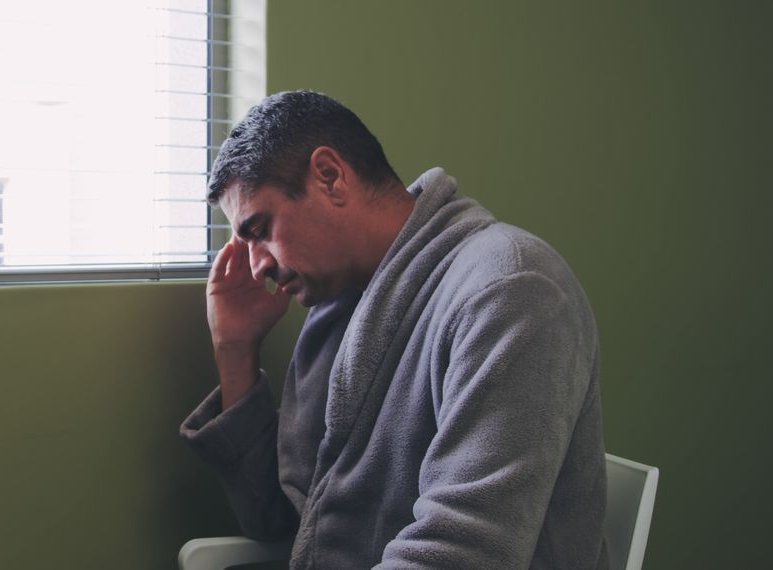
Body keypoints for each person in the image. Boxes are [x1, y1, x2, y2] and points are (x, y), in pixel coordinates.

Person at [180, 91, 608, 569]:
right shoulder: (346, 309)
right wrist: (235, 347)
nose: (258, 267)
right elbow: (282, 520)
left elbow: (465, 552)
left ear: (330, 176)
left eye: (259, 230)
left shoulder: (511, 289)